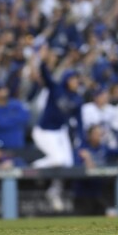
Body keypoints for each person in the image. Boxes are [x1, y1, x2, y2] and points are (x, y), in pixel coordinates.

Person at [31, 47, 84, 212]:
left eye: (77, 80)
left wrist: (80, 141)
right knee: (58, 161)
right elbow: (44, 73)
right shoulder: (56, 89)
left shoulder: (77, 98)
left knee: (67, 163)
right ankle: (32, 168)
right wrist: (43, 59)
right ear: (68, 80)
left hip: (60, 131)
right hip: (44, 131)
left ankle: (54, 191)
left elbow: (80, 122)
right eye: (74, 79)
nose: (77, 82)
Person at [0, 82, 30, 150]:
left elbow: (25, 118)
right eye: (0, 89)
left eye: (4, 88)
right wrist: (12, 119)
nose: (3, 91)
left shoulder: (17, 104)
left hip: (17, 146)